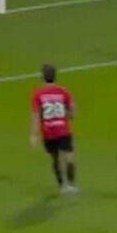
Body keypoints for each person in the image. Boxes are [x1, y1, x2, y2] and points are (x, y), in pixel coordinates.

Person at [30, 64, 77, 193]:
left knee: (55, 158)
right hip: (63, 130)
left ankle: (62, 186)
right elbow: (73, 111)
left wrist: (34, 135)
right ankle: (72, 185)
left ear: (42, 77)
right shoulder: (63, 91)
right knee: (69, 157)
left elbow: (35, 115)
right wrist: (68, 115)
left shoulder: (38, 94)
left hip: (48, 132)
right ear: (55, 76)